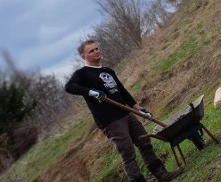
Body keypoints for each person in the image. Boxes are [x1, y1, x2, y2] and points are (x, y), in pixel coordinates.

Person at [65, 40, 182, 182]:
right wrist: (90, 92)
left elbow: (122, 92)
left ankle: (162, 175)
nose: (96, 51)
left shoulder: (108, 71)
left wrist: (140, 109)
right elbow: (69, 87)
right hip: (111, 121)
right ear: (84, 57)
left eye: (97, 48)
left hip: (126, 113)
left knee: (144, 142)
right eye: (91, 51)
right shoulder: (82, 74)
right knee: (127, 152)